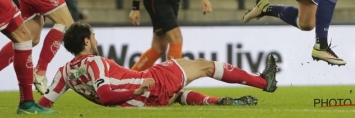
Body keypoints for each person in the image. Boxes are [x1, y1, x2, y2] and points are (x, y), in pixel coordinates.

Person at [38, 22, 278, 108]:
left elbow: (43, 105)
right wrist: (139, 88)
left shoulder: (64, 72)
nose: (96, 40)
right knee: (205, 66)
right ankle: (264, 82)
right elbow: (106, 95)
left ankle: (218, 102)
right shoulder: (94, 62)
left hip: (139, 103)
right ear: (86, 41)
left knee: (177, 95)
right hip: (148, 85)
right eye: (94, 36)